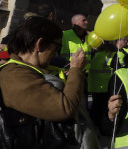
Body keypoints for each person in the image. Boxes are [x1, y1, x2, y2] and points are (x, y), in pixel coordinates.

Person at [0, 16, 95, 148]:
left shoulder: (32, 70)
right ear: (40, 44)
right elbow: (64, 108)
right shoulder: (14, 74)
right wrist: (76, 70)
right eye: (57, 47)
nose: (56, 53)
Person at [88, 39, 127, 127]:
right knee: (105, 109)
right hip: (106, 86)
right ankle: (102, 127)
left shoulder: (96, 55)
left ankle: (93, 126)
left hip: (94, 86)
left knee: (95, 108)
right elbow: (119, 70)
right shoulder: (112, 55)